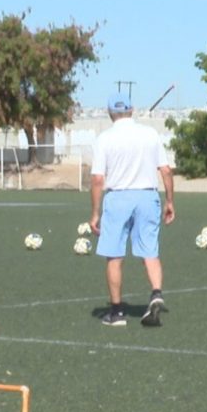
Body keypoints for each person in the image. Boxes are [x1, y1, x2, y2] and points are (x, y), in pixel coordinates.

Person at [90, 93, 175, 327]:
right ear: (132, 110)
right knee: (150, 252)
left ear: (109, 113)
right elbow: (166, 170)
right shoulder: (150, 134)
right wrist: (169, 201)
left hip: (118, 197)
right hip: (147, 196)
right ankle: (156, 292)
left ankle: (117, 312)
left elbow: (98, 179)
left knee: (115, 255)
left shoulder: (104, 138)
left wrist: (95, 213)